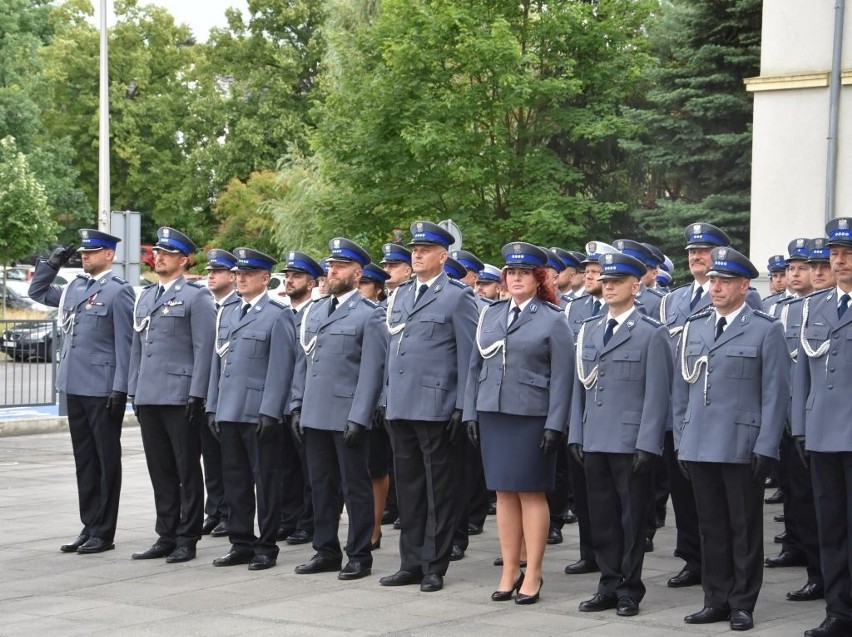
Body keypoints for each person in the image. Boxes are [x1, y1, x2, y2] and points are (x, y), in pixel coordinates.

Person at [674, 247, 788, 631]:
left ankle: (742, 602)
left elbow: (775, 394)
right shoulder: (697, 326)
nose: (715, 287)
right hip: (700, 441)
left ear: (743, 285)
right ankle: (715, 598)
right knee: (711, 527)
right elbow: (681, 390)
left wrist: (767, 444)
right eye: (712, 281)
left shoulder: (764, 328)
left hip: (742, 445)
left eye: (724, 281)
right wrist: (682, 438)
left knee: (744, 528)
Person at [463, 241, 574, 605]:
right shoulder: (490, 314)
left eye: (524, 273)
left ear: (538, 277)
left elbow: (563, 377)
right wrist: (470, 412)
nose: (516, 279)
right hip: (494, 412)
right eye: (511, 273)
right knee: (503, 492)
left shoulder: (552, 318)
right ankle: (510, 569)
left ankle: (534, 572)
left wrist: (556, 424)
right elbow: (475, 366)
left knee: (530, 492)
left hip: (531, 415)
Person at [567, 252, 672, 617]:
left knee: (632, 518)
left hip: (630, 442)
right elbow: (580, 387)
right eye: (604, 281)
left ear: (635, 285)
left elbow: (658, 395)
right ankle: (608, 584)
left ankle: (629, 588)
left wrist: (648, 443)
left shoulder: (651, 333)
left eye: (616, 281)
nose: (608, 286)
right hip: (595, 437)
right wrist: (576, 433)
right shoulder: (590, 330)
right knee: (602, 517)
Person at [381, 220, 478, 593]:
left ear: (442, 256)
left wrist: (461, 406)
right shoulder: (401, 295)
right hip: (402, 403)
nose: (416, 254)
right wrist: (387, 396)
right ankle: (410, 561)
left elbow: (469, 356)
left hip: (437, 405)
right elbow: (395, 349)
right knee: (408, 488)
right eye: (414, 250)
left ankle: (434, 564)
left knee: (439, 489)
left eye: (424, 250)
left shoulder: (457, 296)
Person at [28, 229, 134, 554]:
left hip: (102, 389)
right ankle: (89, 525)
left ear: (109, 255)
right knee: (84, 460)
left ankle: (104, 530)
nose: (85, 256)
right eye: (83, 252)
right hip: (74, 384)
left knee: (106, 459)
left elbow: (126, 345)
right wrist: (51, 264)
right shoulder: (75, 288)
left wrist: (121, 388)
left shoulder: (119, 292)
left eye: (93, 251)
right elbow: (38, 291)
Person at [289, 238, 387, 580]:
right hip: (315, 413)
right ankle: (325, 549)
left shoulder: (369, 315)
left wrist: (360, 416)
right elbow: (305, 360)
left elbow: (372, 372)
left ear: (357, 273)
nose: (332, 270)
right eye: (331, 265)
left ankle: (359, 554)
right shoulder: (316, 311)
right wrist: (297, 404)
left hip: (347, 417)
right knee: (320, 485)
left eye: (341, 266)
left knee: (355, 486)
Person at [206, 248, 297, 571]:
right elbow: (219, 363)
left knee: (267, 481)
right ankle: (240, 541)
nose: (240, 279)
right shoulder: (229, 313)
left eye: (247, 274)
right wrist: (213, 407)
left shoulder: (277, 314)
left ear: (264, 279)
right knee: (235, 481)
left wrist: (271, 411)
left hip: (259, 412)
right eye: (238, 274)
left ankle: (266, 545)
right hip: (229, 410)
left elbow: (281, 368)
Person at [129, 227, 215, 564]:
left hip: (180, 396)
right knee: (160, 469)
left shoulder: (197, 297)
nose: (158, 257)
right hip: (150, 395)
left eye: (167, 253)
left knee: (185, 469)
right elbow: (138, 347)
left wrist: (197, 394)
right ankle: (165, 533)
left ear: (184, 259)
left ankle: (187, 537)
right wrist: (134, 389)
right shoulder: (147, 296)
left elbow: (204, 349)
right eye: (157, 252)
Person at [657, 221, 730, 590]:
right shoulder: (674, 299)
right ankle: (692, 558)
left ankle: (719, 562)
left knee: (713, 496)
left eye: (703, 251)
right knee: (681, 493)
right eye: (691, 252)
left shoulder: (737, 295)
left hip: (713, 410)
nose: (696, 257)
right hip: (675, 410)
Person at [793, 218, 852, 637]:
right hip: (823, 433)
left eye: (847, 253)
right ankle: (839, 612)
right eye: (835, 253)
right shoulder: (815, 306)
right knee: (830, 527)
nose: (839, 260)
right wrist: (800, 427)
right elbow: (803, 376)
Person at [562, 240, 618, 576]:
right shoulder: (575, 308)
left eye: (597, 272)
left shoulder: (640, 309)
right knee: (584, 490)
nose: (591, 277)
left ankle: (616, 557)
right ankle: (589, 551)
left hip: (615, 411)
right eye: (588, 271)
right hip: (583, 406)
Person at [278, 251, 323, 546]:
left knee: (312, 470)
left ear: (311, 283)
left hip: (307, 402)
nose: (289, 281)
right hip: (280, 402)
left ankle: (310, 523)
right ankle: (289, 518)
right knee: (286, 467)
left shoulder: (318, 313)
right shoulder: (281, 314)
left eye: (296, 276)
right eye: (287, 276)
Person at [201, 249, 239, 539]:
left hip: (231, 397)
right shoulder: (209, 306)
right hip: (207, 395)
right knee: (210, 458)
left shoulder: (238, 307)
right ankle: (214, 509)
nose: (210, 275)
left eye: (218, 271)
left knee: (229, 459)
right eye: (209, 271)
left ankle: (229, 513)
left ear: (232, 276)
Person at [356, 260, 394, 551]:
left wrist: (380, 401)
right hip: (349, 401)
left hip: (374, 405)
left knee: (375, 467)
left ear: (377, 288)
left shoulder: (378, 315)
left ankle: (375, 527)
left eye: (364, 284)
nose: (359, 289)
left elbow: (383, 365)